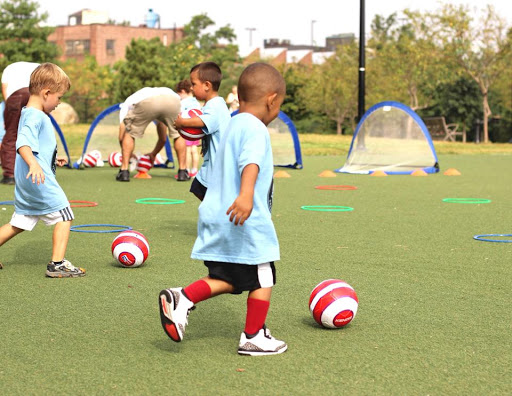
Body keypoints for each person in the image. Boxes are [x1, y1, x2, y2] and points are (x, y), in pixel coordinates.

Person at [159, 62, 287, 356]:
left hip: (217, 214)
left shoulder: (232, 123)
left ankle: (183, 298)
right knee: (264, 274)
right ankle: (253, 335)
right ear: (271, 99)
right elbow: (251, 162)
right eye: (279, 103)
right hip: (242, 216)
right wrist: (246, 196)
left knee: (229, 278)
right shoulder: (255, 128)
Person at [0, 63, 85, 277]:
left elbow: (38, 147)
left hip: (28, 181)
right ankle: (57, 264)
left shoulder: (29, 113)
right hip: (38, 180)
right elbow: (23, 144)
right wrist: (35, 164)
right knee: (65, 215)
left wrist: (53, 158)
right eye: (59, 97)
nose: (59, 102)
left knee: (19, 222)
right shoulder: (35, 116)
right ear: (46, 93)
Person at [174, 62, 231, 200]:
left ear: (207, 85)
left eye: (194, 84)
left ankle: (219, 215)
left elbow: (203, 121)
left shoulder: (216, 105)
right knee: (199, 189)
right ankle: (217, 213)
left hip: (219, 164)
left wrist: (182, 123)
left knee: (202, 190)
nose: (192, 89)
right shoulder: (213, 104)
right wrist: (205, 145)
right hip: (213, 162)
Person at [116, 87, 189, 182]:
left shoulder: (126, 105)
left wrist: (129, 155)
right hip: (172, 100)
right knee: (178, 134)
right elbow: (163, 139)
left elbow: (122, 136)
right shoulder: (162, 101)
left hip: (148, 102)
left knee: (129, 133)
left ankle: (124, 172)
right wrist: (153, 154)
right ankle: (182, 172)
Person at [1, 61, 40, 185]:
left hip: (15, 97)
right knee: (36, 134)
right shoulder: (40, 67)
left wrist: (10, 108)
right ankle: (39, 171)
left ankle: (10, 175)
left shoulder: (9, 68)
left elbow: (5, 89)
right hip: (36, 96)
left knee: (11, 135)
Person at [176, 79, 201, 178]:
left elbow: (180, 114)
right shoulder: (196, 101)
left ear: (182, 91)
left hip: (187, 129)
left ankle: (186, 169)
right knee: (194, 150)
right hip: (197, 129)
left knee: (187, 149)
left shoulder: (183, 102)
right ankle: (195, 170)